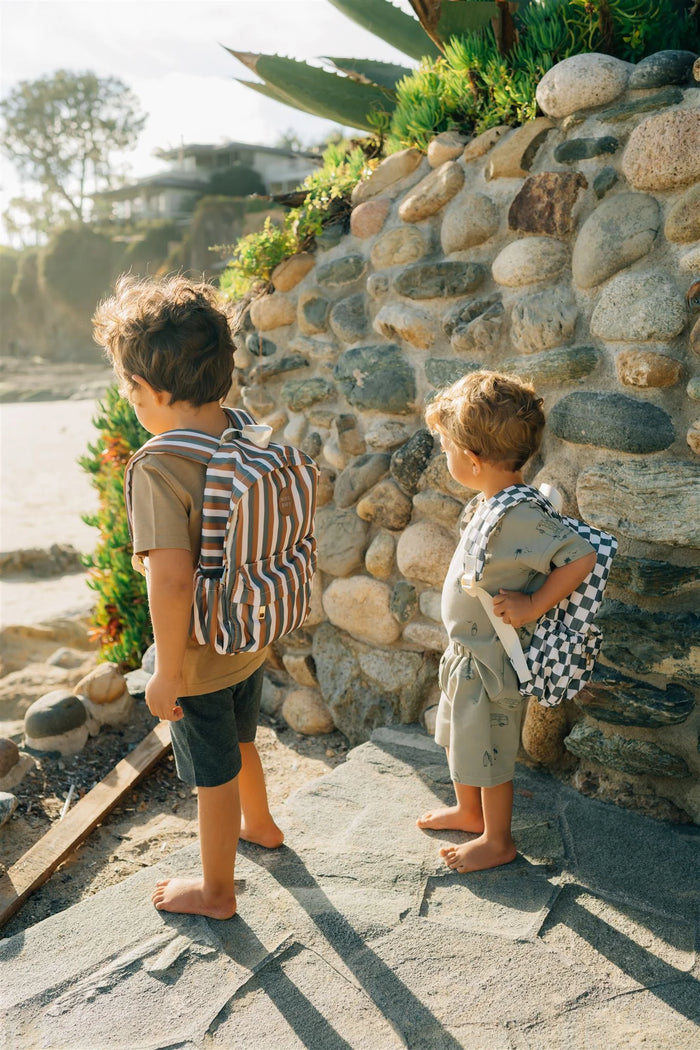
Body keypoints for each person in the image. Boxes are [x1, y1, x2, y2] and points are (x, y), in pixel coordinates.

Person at [93, 275, 283, 919]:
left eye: (130, 388)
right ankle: (261, 824)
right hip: (248, 629)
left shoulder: (159, 465)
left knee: (213, 772)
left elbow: (169, 581)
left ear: (156, 392)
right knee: (245, 738)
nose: (130, 400)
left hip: (200, 650)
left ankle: (216, 889)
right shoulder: (243, 428)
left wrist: (167, 672)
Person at [417, 371, 596, 873]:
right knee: (462, 736)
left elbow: (580, 556)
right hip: (467, 653)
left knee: (490, 749)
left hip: (491, 661)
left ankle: (498, 839)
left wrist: (534, 604)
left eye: (447, 447)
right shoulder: (495, 501)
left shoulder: (520, 513)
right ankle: (468, 812)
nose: (446, 455)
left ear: (471, 460)